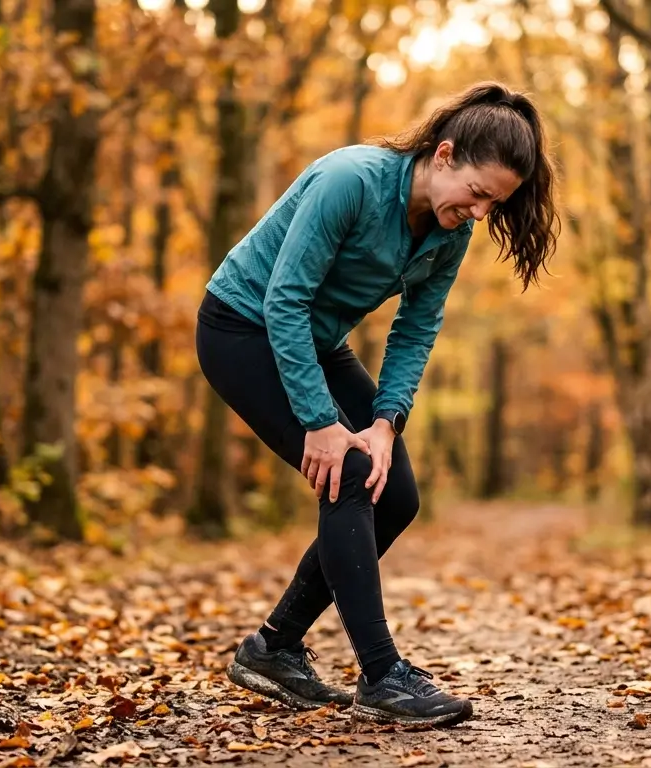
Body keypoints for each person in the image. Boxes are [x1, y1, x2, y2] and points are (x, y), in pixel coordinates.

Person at [194, 81, 559, 728]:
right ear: (444, 155)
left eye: (493, 204)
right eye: (477, 194)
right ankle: (382, 675)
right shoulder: (351, 180)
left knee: (396, 494)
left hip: (315, 338)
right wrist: (321, 423)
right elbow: (284, 300)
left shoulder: (449, 233)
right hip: (242, 328)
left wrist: (385, 423)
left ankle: (273, 648)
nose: (479, 213)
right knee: (349, 475)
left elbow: (416, 327)